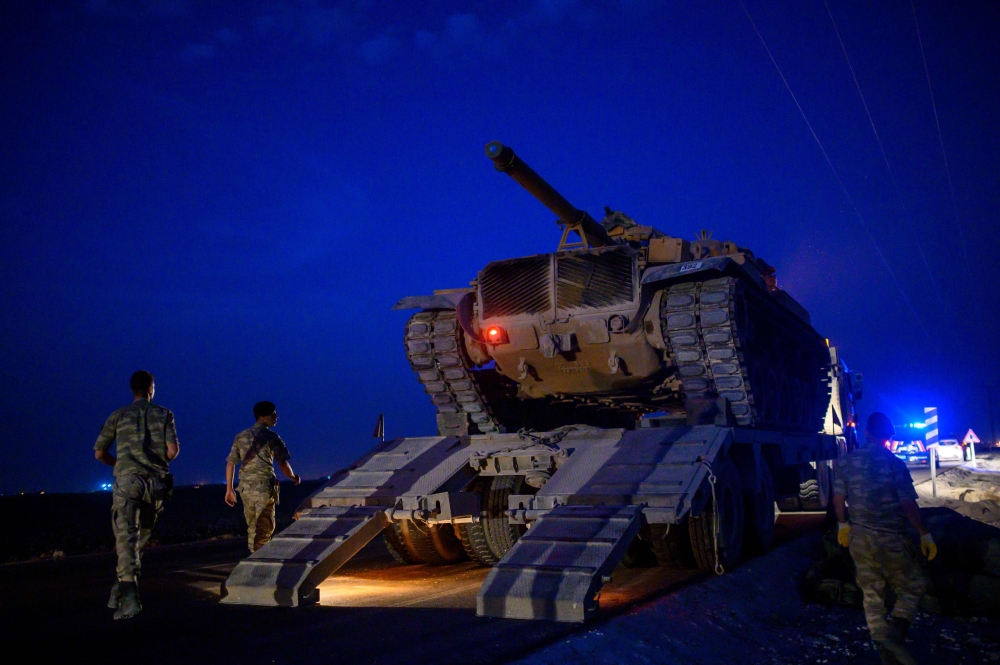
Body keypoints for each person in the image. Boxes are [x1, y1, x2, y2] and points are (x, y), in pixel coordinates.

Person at [833, 412, 938, 665]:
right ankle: (896, 636)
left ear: (867, 433)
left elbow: (838, 499)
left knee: (871, 593)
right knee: (912, 586)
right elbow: (907, 504)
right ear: (888, 437)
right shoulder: (894, 464)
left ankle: (884, 651)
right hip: (891, 539)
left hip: (859, 538)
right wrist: (925, 533)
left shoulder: (846, 462)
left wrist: (843, 525)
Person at [94, 370, 179, 620]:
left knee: (126, 539)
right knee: (142, 538)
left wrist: (121, 463)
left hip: (128, 482)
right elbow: (172, 450)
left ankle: (128, 596)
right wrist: (155, 459)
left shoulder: (118, 416)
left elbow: (99, 453)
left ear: (133, 390)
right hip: (155, 484)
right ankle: (122, 588)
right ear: (151, 388)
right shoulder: (164, 414)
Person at [225, 401, 300, 554]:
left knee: (253, 527)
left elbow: (230, 464)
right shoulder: (271, 436)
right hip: (263, 488)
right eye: (273, 413)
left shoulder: (241, 436)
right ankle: (261, 565)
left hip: (245, 489)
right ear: (263, 417)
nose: (276, 416)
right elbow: (283, 463)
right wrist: (293, 477)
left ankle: (253, 559)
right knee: (264, 529)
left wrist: (229, 489)